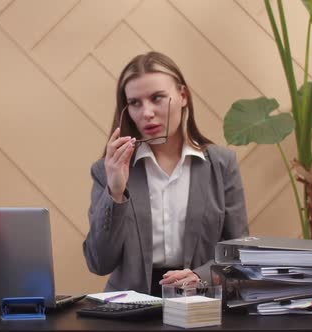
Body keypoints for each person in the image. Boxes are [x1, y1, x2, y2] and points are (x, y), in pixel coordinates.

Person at [83, 51, 248, 297]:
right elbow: (99, 263)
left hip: (200, 300)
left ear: (183, 96)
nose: (146, 112)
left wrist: (200, 277)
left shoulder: (221, 164)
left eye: (157, 98)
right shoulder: (107, 169)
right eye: (135, 103)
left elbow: (238, 252)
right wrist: (115, 192)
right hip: (130, 307)